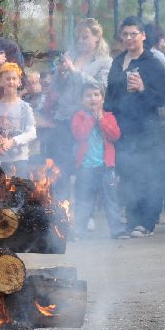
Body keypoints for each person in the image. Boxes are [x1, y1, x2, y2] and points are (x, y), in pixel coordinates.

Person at [104, 16, 165, 238]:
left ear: (143, 35)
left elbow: (160, 99)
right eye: (125, 34)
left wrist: (142, 89)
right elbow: (110, 95)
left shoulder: (153, 64)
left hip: (146, 129)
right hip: (122, 129)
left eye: (133, 34)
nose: (129, 38)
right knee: (128, 175)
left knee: (147, 175)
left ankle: (147, 222)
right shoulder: (117, 61)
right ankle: (132, 220)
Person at [52, 18, 112, 200]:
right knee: (62, 164)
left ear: (97, 37)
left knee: (83, 165)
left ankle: (85, 212)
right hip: (63, 115)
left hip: (85, 119)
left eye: (85, 37)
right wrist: (61, 73)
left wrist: (75, 72)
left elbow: (101, 87)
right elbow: (57, 87)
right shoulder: (71, 56)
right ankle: (62, 209)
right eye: (78, 38)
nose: (80, 41)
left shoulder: (104, 61)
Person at [70, 80, 126, 240]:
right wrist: (91, 119)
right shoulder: (79, 117)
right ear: (82, 100)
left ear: (102, 98)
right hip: (85, 167)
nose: (93, 99)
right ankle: (79, 231)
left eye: (96, 95)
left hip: (106, 166)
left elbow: (115, 135)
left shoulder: (109, 116)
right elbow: (79, 134)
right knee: (84, 200)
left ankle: (117, 229)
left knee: (111, 199)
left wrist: (100, 119)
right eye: (88, 96)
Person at [0, 63, 36, 178]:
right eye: (8, 79)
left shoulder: (25, 107)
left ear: (19, 82)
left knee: (19, 192)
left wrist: (13, 141)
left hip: (19, 160)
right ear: (1, 82)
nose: (11, 82)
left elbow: (32, 133)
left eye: (14, 78)